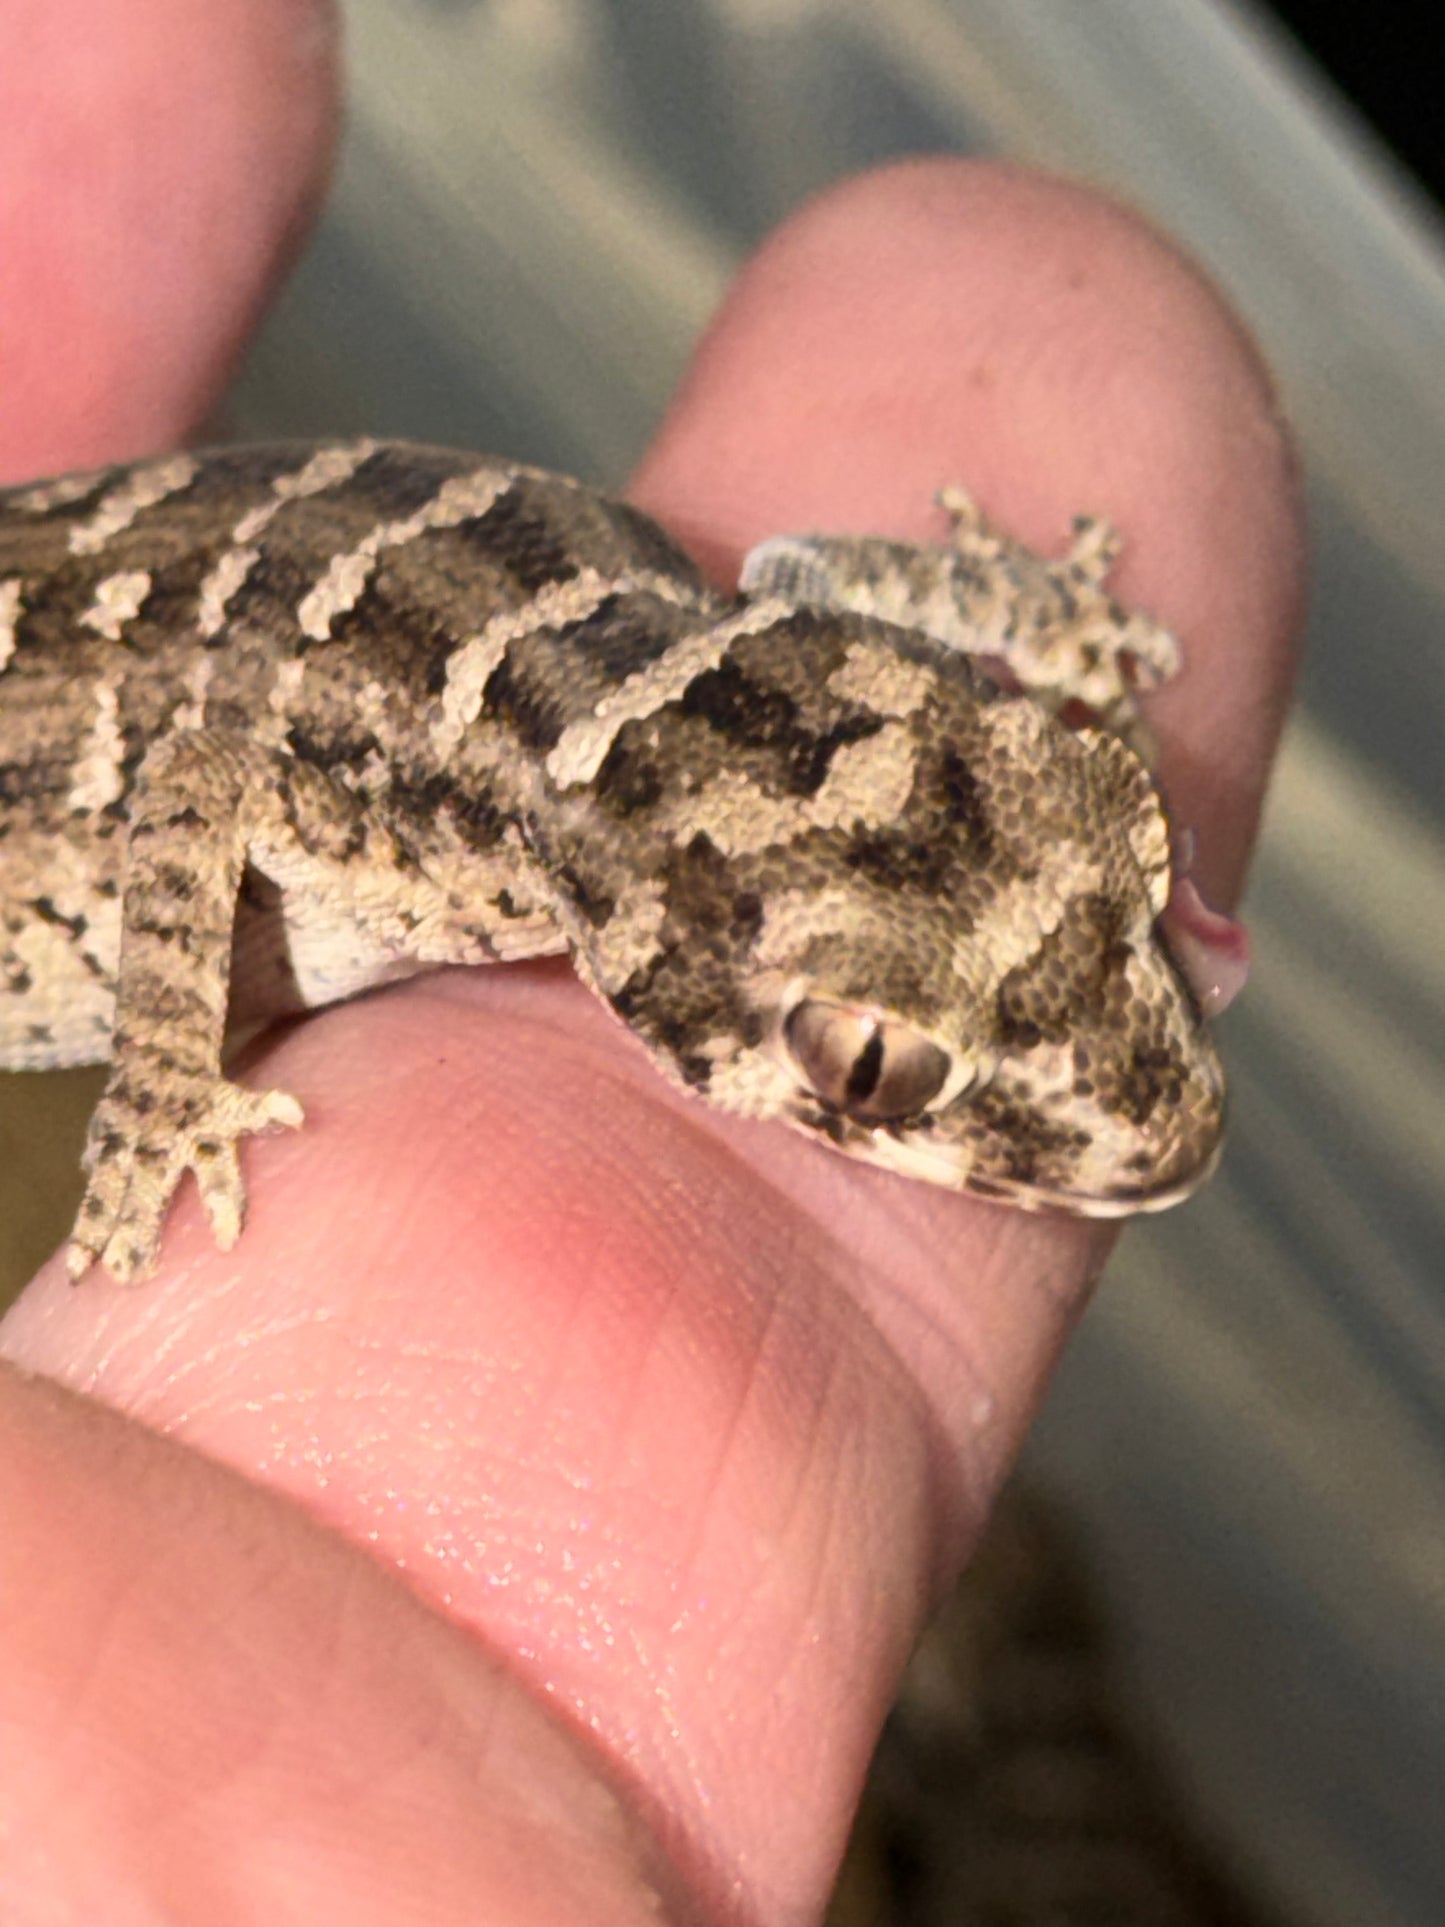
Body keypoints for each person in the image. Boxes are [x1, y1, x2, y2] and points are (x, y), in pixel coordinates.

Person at [0, 4, 1301, 1920]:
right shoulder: (443, 803)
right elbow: (201, 774)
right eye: (870, 1056)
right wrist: (160, 1089)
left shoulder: (647, 616)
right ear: (637, 938)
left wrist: (1007, 632)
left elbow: (799, 589)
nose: (1140, 1090)